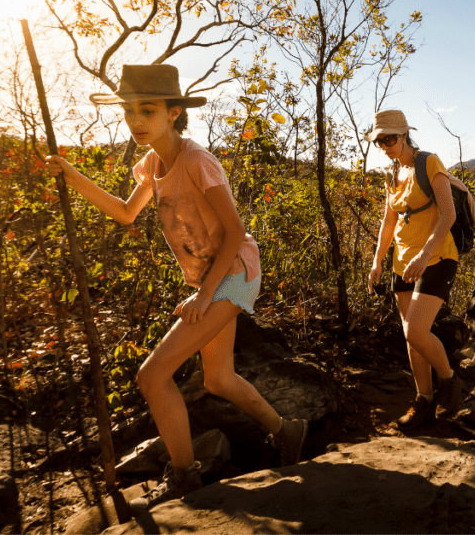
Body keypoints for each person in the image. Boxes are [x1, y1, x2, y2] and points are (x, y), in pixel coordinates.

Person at [45, 64, 307, 512]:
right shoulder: (151, 164)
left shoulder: (197, 161)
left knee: (152, 374)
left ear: (174, 113)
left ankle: (185, 475)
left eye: (147, 110)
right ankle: (288, 432)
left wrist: (205, 295)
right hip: (211, 281)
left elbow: (235, 230)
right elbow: (127, 213)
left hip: (234, 273)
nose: (136, 121)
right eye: (129, 112)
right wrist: (71, 174)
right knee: (218, 378)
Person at [365, 109, 463, 430]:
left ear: (404, 135)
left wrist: (423, 255)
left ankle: (450, 382)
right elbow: (388, 222)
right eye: (380, 141)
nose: (385, 145)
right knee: (412, 340)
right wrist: (377, 261)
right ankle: (425, 401)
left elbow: (447, 215)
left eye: (390, 139)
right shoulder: (393, 174)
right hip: (402, 262)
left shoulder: (428, 163)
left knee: (415, 331)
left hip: (435, 257)